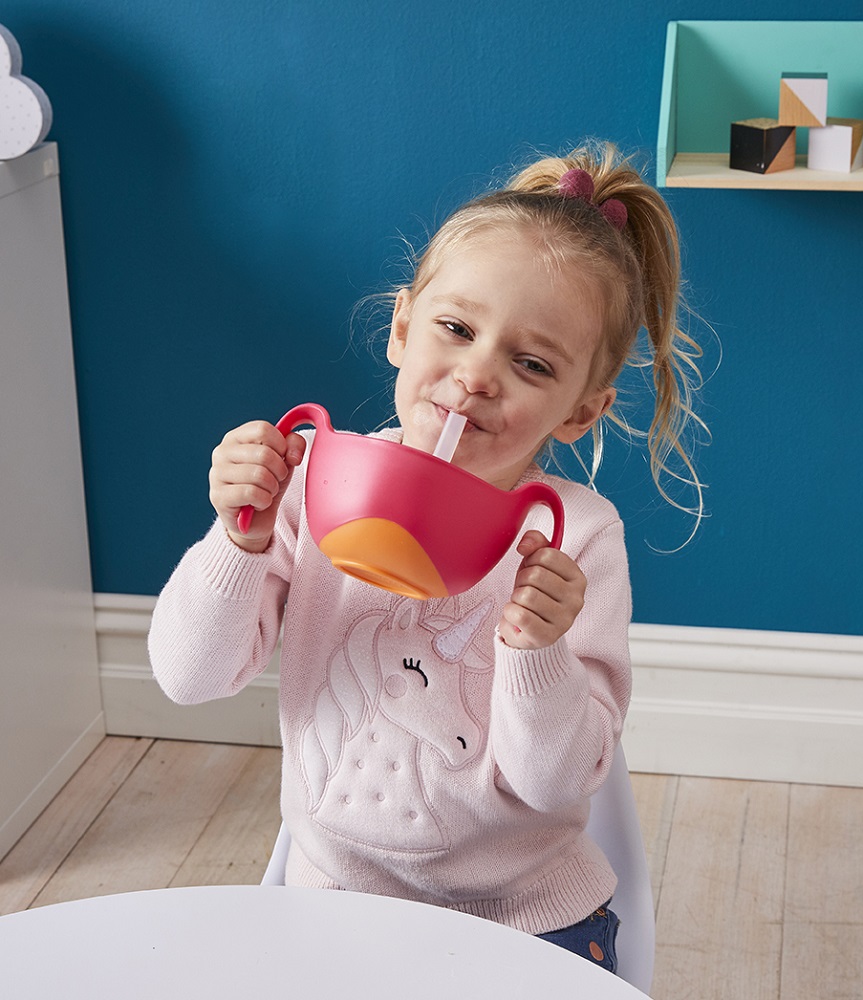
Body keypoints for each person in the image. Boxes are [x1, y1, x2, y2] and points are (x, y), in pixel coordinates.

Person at [148, 141, 703, 976]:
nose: (477, 375)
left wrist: (537, 650)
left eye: (531, 363)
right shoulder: (313, 482)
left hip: (524, 925)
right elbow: (190, 677)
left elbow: (559, 784)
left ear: (580, 410)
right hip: (327, 901)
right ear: (402, 328)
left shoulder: (574, 540)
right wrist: (241, 535)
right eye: (456, 329)